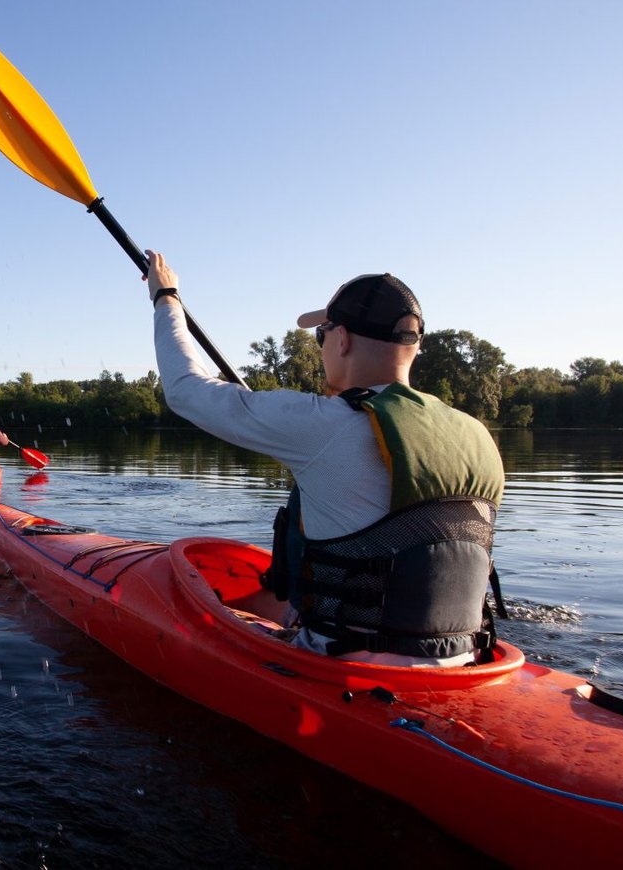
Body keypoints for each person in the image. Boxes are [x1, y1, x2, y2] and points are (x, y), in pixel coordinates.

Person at [142, 250, 506, 667]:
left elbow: (186, 389)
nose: (322, 347)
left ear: (342, 339)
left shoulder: (326, 424)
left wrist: (166, 297)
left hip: (343, 664)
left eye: (322, 335)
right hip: (464, 660)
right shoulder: (477, 434)